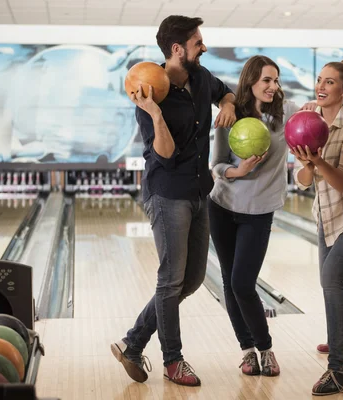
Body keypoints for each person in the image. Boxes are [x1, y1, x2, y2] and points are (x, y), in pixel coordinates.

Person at [110, 15, 236, 387]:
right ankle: (173, 360)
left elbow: (224, 91)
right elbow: (164, 154)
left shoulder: (200, 77)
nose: (204, 46)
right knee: (170, 281)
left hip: (199, 190)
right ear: (178, 49)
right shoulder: (150, 95)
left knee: (193, 279)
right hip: (168, 194)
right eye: (198, 42)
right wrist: (153, 113)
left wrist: (227, 104)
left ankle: (133, 344)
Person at [208, 55, 300, 377]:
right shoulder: (229, 117)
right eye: (266, 80)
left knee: (242, 283)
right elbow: (216, 165)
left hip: (259, 212)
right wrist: (238, 170)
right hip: (222, 207)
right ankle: (247, 350)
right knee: (229, 283)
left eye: (276, 81)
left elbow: (313, 119)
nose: (273, 87)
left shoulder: (286, 114)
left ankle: (266, 348)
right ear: (250, 82)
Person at [292, 59, 343, 396]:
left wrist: (319, 159)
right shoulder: (307, 120)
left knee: (330, 279)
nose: (321, 87)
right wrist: (308, 165)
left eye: (330, 82)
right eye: (319, 80)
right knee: (332, 279)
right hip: (325, 214)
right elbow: (304, 181)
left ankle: (337, 370)